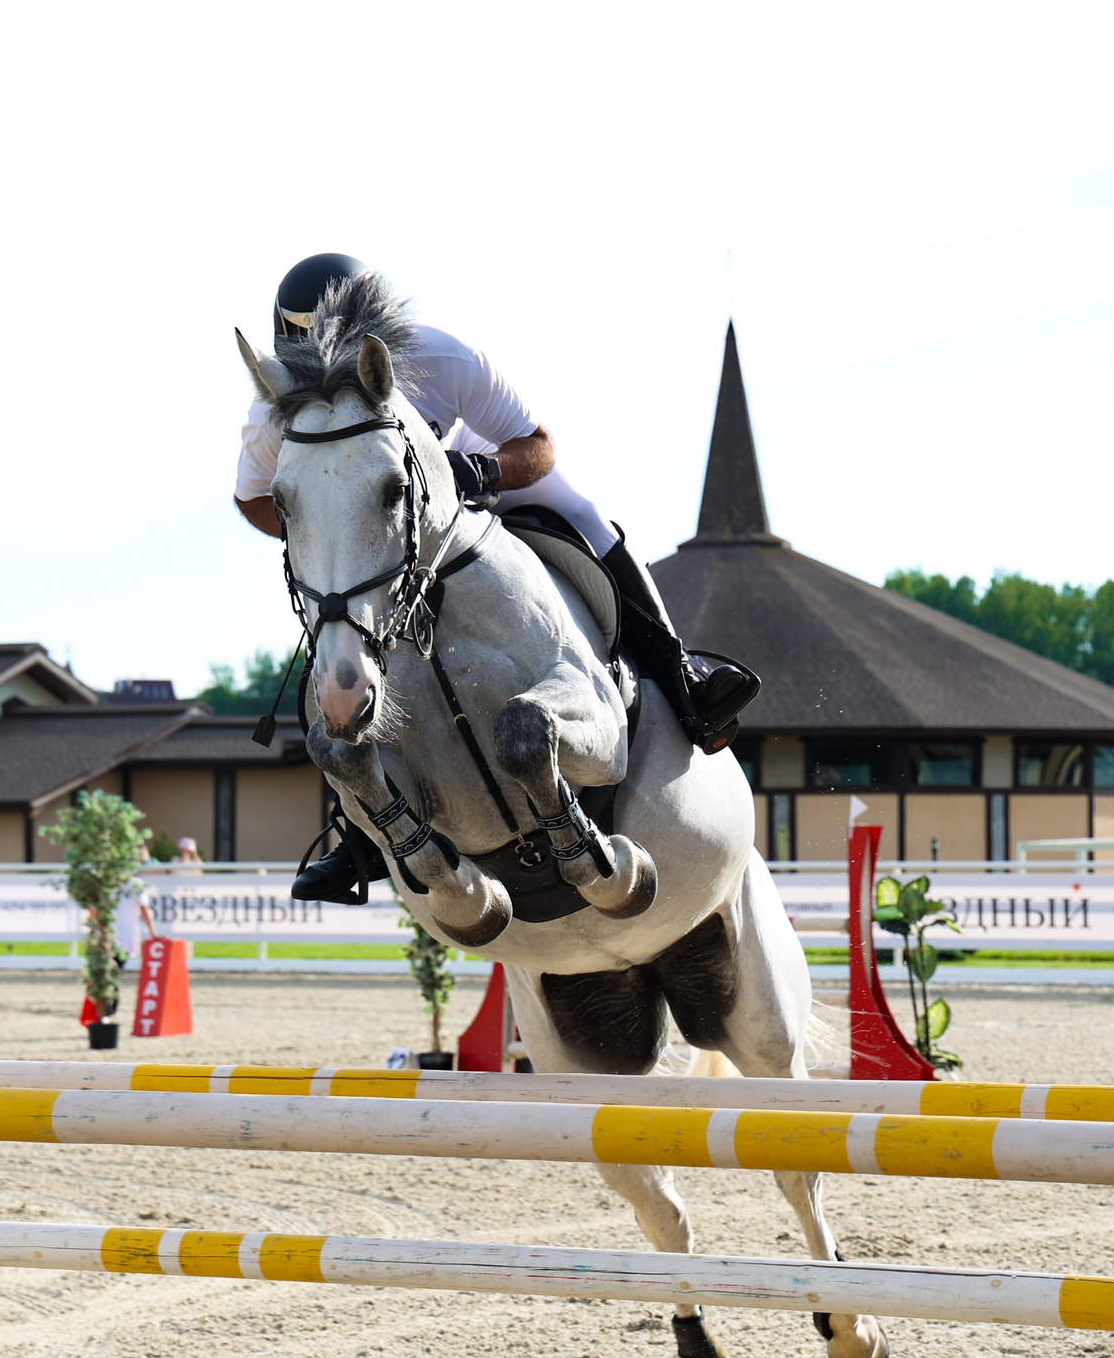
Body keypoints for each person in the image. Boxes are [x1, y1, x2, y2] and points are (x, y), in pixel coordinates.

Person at [238, 253, 759, 903]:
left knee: (584, 516)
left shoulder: (441, 356)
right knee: (345, 637)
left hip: (476, 487)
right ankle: (361, 834)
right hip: (384, 526)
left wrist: (478, 473)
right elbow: (254, 499)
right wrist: (329, 525)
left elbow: (535, 446)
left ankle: (681, 673)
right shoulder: (276, 410)